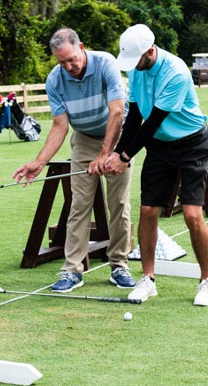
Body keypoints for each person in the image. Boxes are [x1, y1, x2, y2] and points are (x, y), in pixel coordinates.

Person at [99, 24, 208, 307]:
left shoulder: (175, 72)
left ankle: (207, 282)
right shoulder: (137, 69)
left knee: (191, 215)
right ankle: (148, 279)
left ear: (150, 52)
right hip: (160, 146)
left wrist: (124, 157)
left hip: (191, 143)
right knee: (148, 210)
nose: (133, 67)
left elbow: (154, 121)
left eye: (136, 60)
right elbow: (136, 117)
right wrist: (116, 153)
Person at [12, 28, 135, 292]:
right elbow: (60, 126)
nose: (69, 66)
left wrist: (106, 153)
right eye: (61, 62)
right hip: (83, 139)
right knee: (79, 205)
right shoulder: (55, 80)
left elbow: (117, 112)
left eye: (72, 59)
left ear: (82, 47)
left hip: (117, 138)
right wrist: (40, 161)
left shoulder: (106, 64)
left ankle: (119, 264)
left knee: (119, 202)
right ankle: (72, 270)